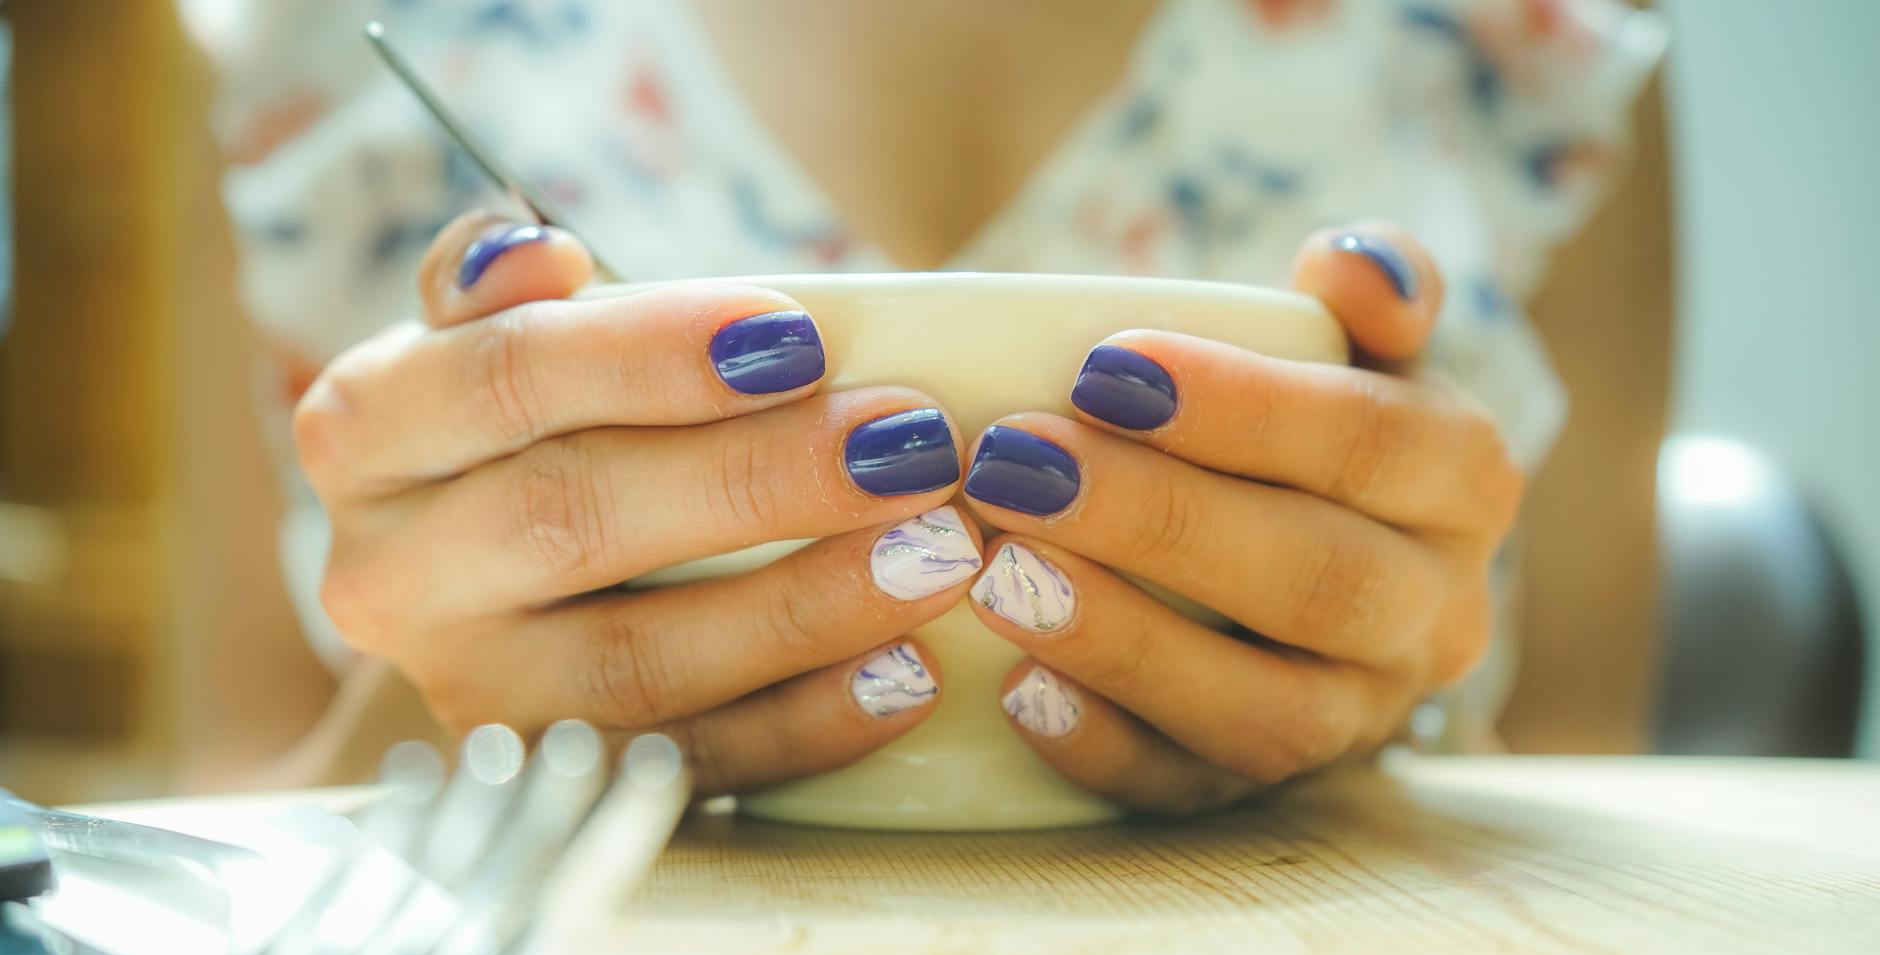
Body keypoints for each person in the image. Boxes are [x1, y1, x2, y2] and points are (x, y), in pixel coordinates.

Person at [174, 0, 1670, 812]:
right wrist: (448, 699)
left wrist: (1402, 701)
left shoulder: (1525, 54)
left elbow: (1592, 799)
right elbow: (224, 805)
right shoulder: (305, 53)